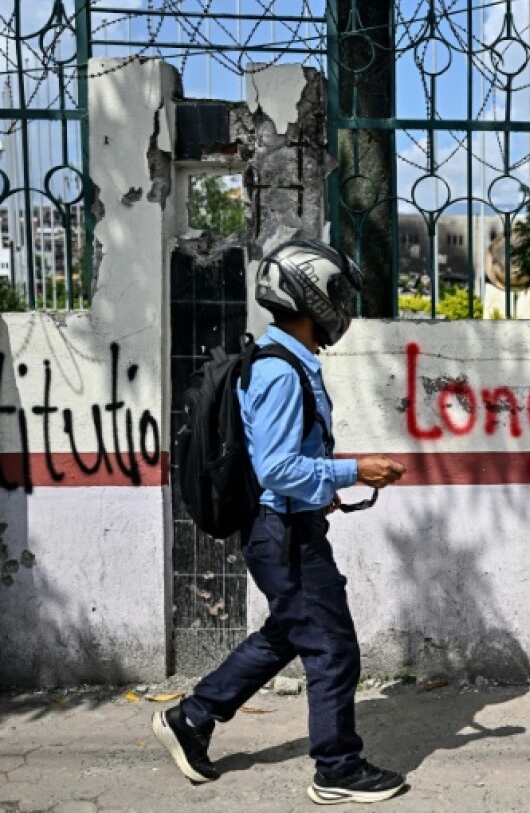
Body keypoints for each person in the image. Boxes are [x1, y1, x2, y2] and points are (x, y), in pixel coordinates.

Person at [152, 240, 408, 805]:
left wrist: (321, 493)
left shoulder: (286, 362)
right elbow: (277, 467)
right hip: (283, 534)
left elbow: (285, 463)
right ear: (309, 294)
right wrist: (355, 470)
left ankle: (192, 718)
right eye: (336, 291)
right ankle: (337, 769)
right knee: (332, 648)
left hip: (289, 524)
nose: (342, 305)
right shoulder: (281, 371)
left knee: (288, 634)